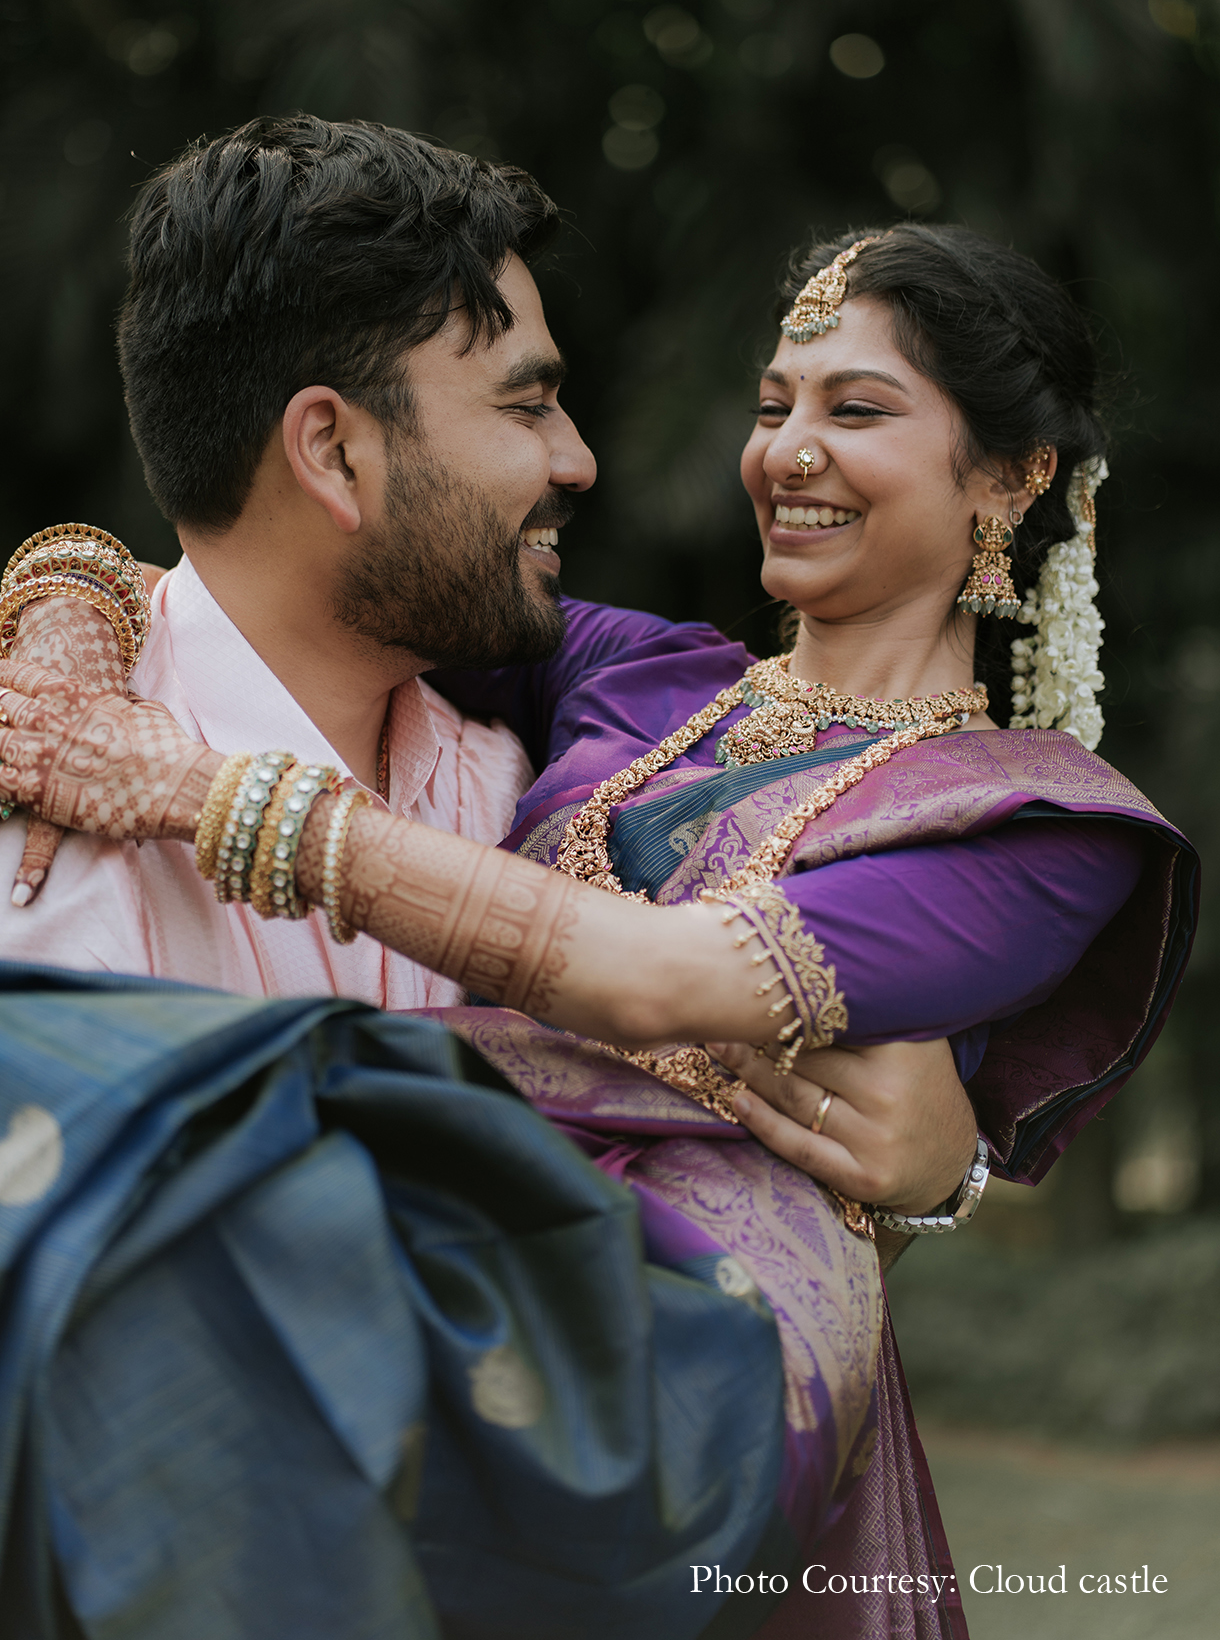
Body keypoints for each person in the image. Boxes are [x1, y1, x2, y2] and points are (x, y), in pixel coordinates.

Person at [0, 149, 1197, 1635]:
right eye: (774, 405)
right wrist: (60, 607)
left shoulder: (1037, 828)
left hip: (691, 1365)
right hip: (427, 1279)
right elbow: (291, 575)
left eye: (857, 410)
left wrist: (194, 791)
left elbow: (665, 979)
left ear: (1013, 479)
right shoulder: (647, 678)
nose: (789, 451)